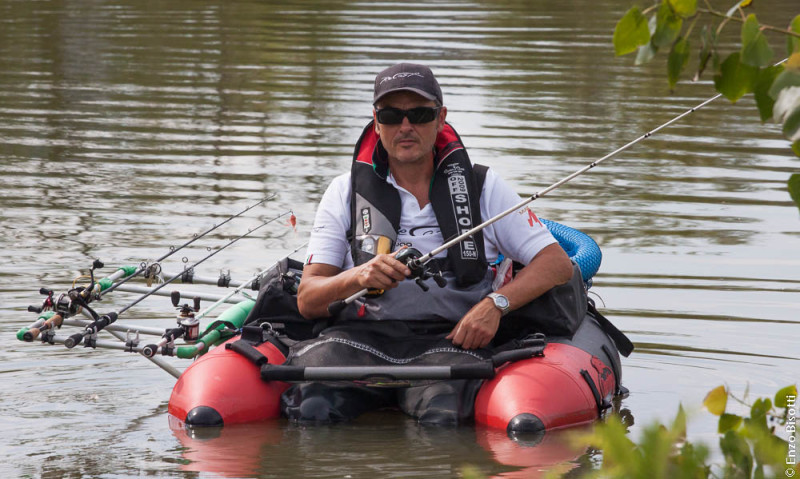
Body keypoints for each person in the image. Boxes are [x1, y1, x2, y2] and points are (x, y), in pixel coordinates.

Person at [282, 62, 575, 425]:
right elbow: (308, 300)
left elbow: (557, 264)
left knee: (443, 420)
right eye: (392, 115)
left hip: (449, 342)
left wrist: (496, 304)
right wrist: (360, 276)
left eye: (420, 114)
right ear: (376, 122)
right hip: (357, 339)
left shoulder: (484, 186)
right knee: (313, 412)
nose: (405, 126)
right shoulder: (344, 191)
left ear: (441, 118)